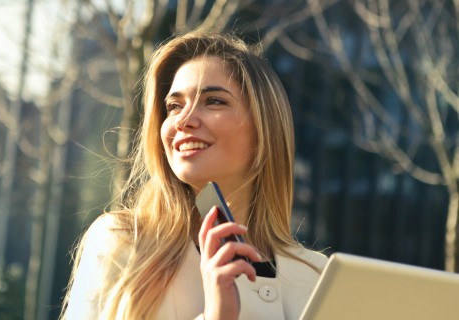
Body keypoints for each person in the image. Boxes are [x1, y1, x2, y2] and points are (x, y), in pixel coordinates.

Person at [61, 30, 328, 319]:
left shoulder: (317, 276)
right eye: (174, 106)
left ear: (265, 129)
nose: (184, 121)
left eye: (214, 101)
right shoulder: (123, 242)